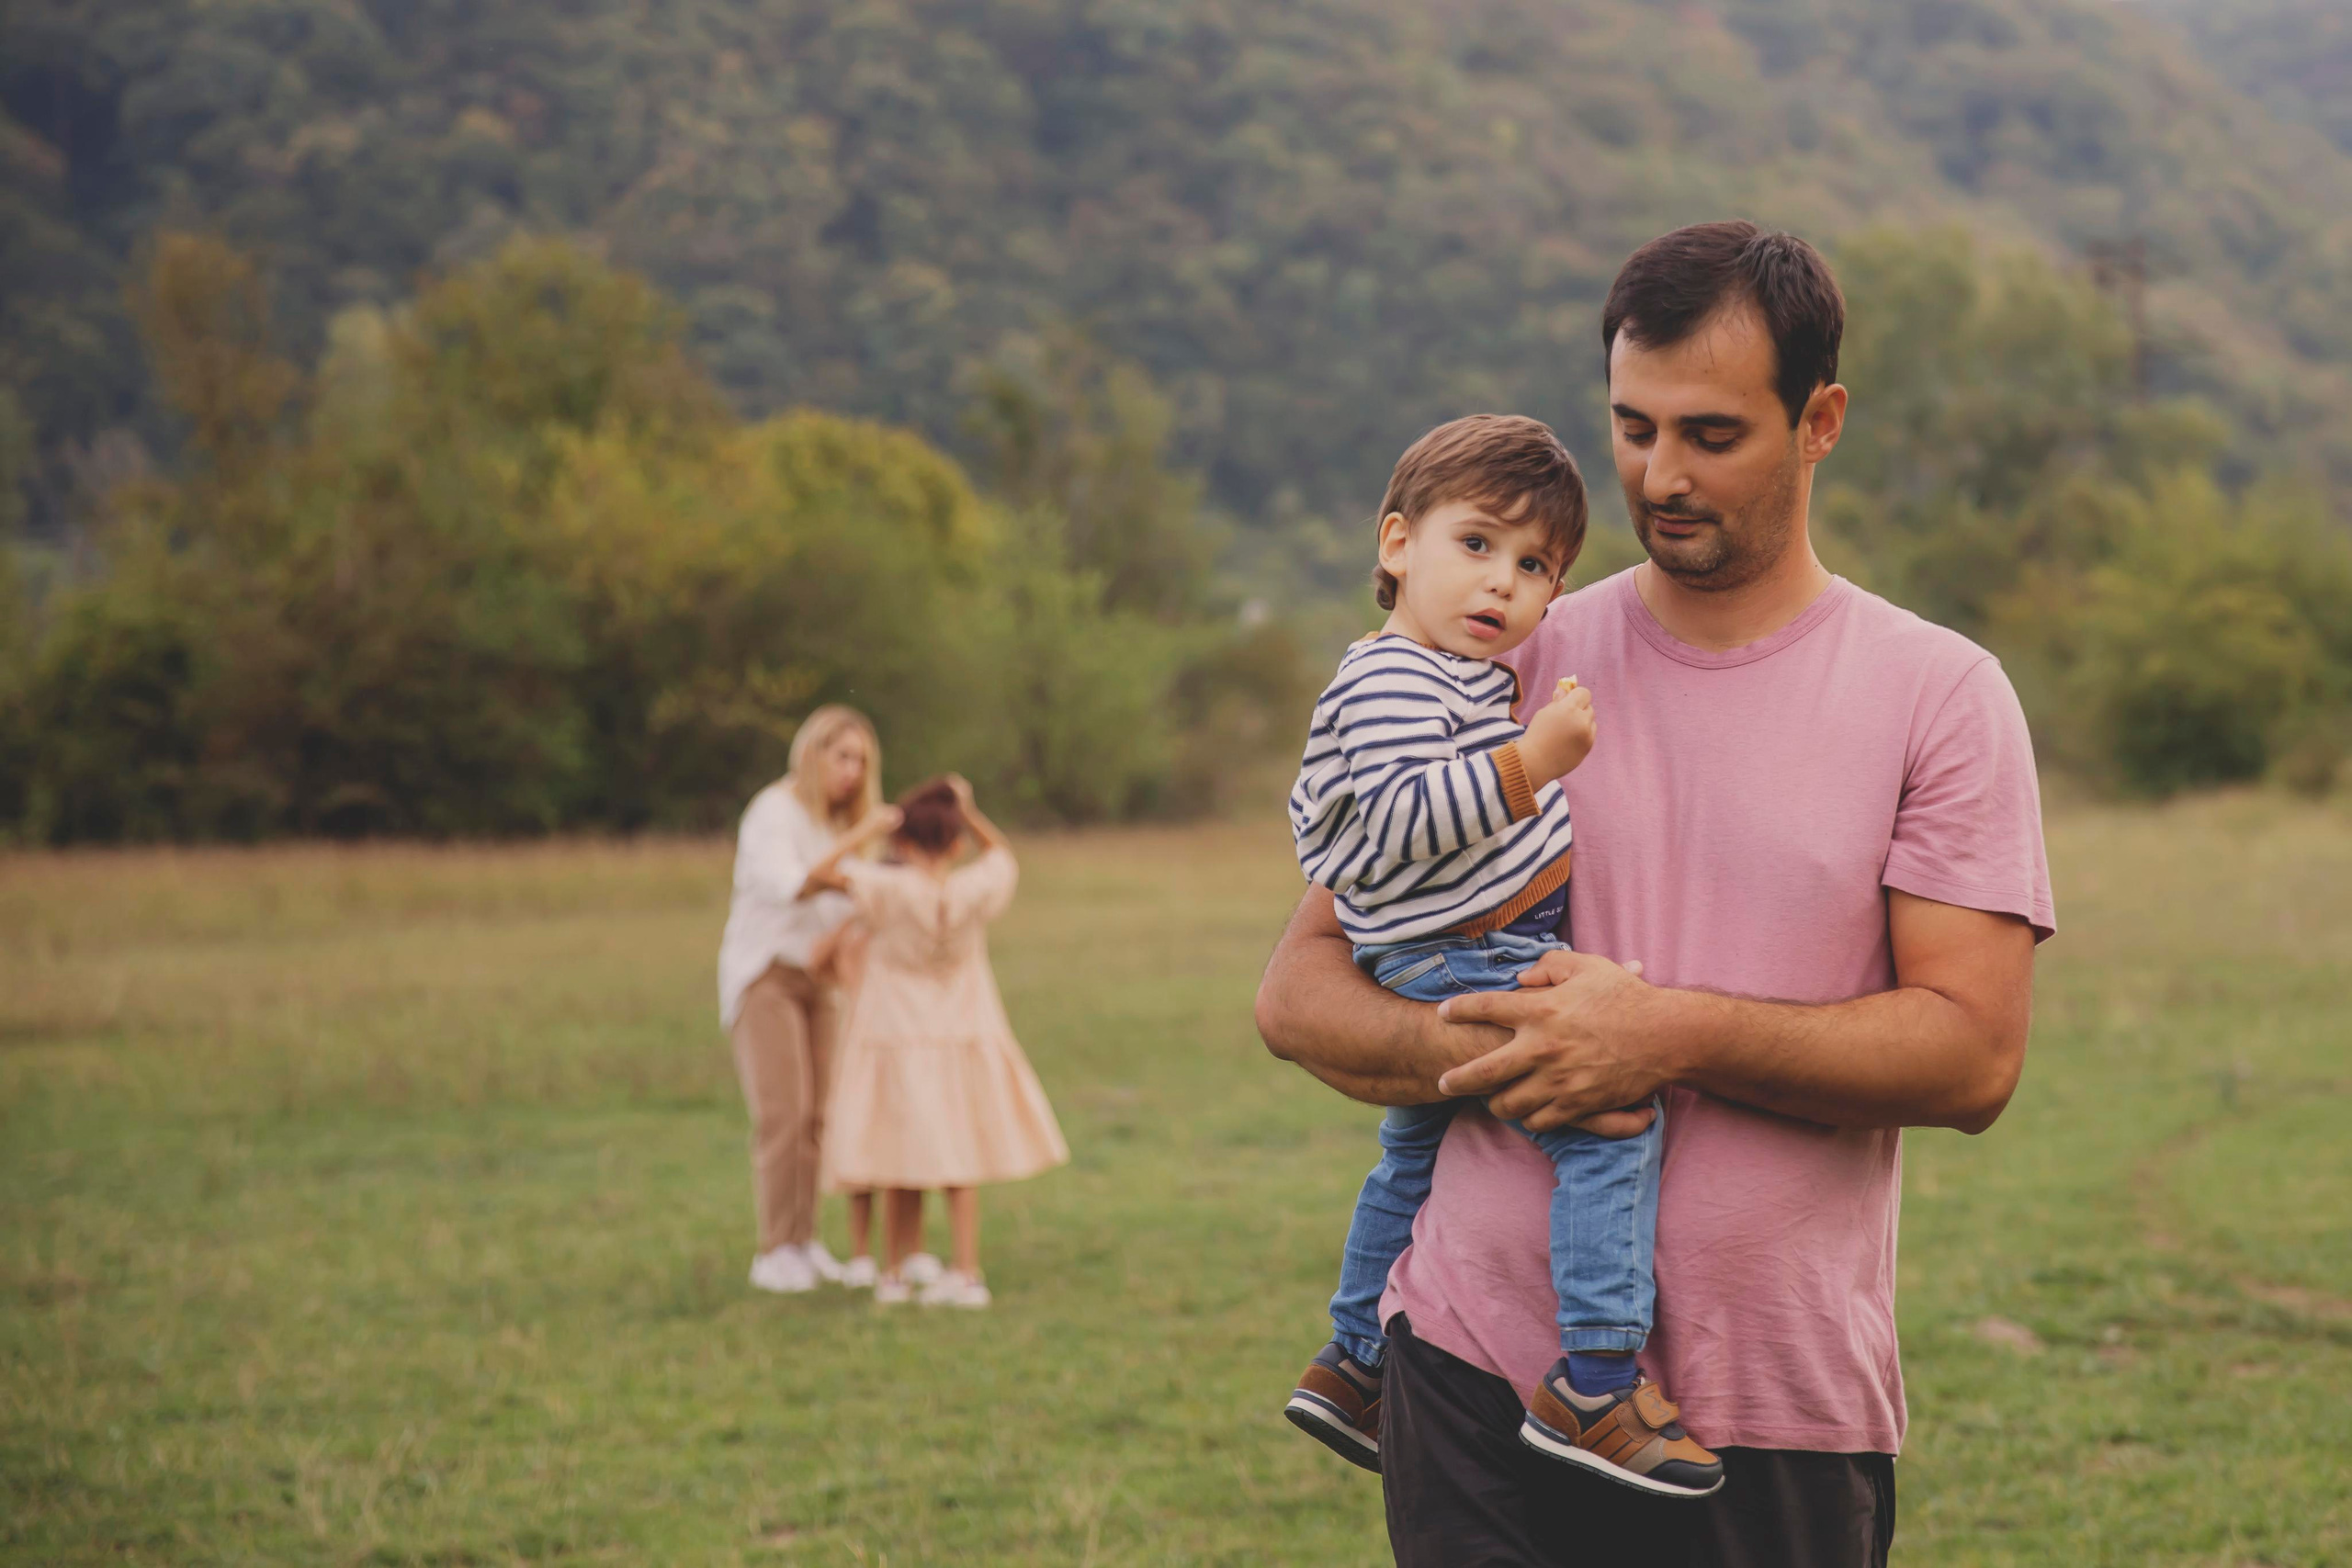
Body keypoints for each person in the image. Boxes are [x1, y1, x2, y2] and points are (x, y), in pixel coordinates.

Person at [1255, 220, 2054, 1567]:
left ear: (1820, 421)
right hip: (1465, 1368)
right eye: (1633, 428)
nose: (1660, 474)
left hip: (1771, 1407)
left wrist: (1662, 1032)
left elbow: (1973, 1056)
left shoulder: (1940, 695)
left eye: (1710, 434)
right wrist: (1496, 1041)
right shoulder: (1507, 648)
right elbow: (1299, 991)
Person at [1282, 413, 1722, 1501]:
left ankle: (1355, 1364)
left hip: (1452, 943)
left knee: (1411, 1154)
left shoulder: (1446, 674)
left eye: (1534, 567)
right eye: (1475, 544)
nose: (1502, 584)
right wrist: (1535, 761)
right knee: (1609, 1123)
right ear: (1397, 544)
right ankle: (1596, 1384)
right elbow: (1403, 818)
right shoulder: (1392, 680)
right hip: (1458, 952)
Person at [807, 774, 1069, 1308]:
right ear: (955, 845)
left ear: (902, 842)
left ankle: (893, 1273)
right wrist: (969, 812)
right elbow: (1003, 855)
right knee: (960, 1158)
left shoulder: (888, 888)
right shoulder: (973, 889)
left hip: (895, 1032)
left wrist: (867, 828)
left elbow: (817, 876)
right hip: (962, 1032)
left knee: (896, 1152)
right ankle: (966, 1273)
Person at [717, 705, 889, 1295]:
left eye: (861, 761)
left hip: (819, 981)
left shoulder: (837, 823)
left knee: (818, 1116)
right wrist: (864, 838)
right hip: (767, 975)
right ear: (812, 754)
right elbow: (795, 884)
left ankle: (805, 1241)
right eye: (843, 757)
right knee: (783, 1115)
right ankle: (775, 1249)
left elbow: (849, 905)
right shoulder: (774, 811)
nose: (852, 772)